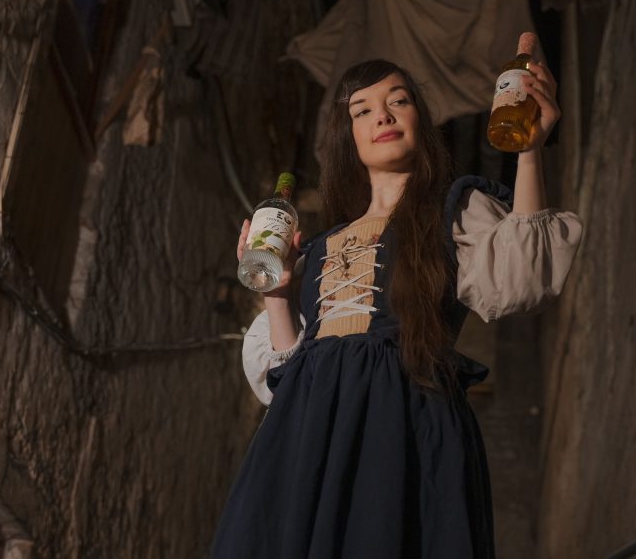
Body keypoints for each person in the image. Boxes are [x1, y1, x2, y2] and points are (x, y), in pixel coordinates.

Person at [212, 33, 582, 558]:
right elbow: (286, 379)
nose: (383, 116)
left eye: (399, 101)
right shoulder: (315, 247)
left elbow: (522, 278)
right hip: (309, 437)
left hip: (404, 423)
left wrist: (528, 156)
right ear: (349, 137)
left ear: (420, 122)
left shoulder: (452, 211)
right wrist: (277, 295)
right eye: (363, 110)